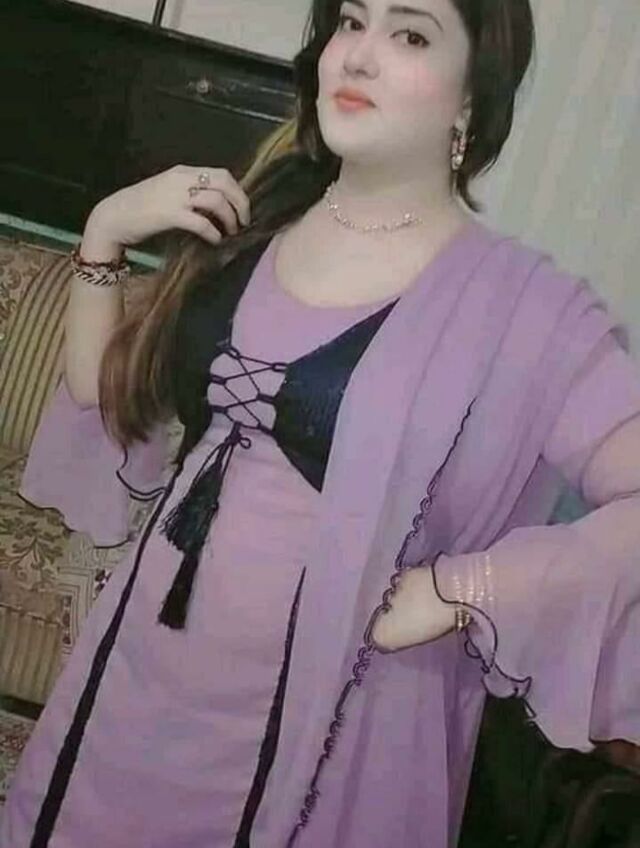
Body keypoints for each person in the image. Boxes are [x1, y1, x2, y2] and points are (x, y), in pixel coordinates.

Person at [3, 0, 640, 845]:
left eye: (409, 34)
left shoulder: (528, 311)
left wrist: (463, 589)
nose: (359, 55)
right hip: (136, 676)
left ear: (471, 98)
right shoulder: (256, 218)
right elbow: (105, 393)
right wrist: (105, 232)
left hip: (328, 728)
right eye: (350, 22)